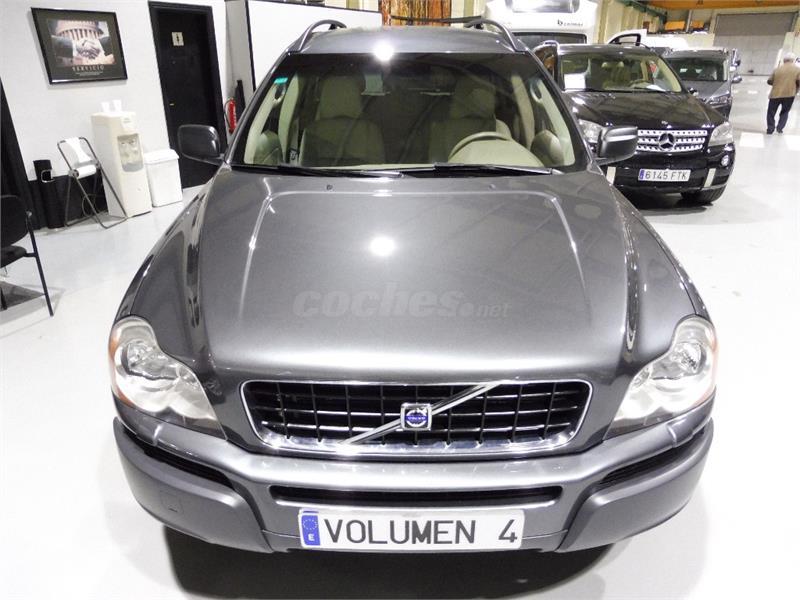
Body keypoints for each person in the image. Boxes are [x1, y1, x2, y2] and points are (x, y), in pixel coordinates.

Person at [766, 51, 800, 134]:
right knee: (785, 112)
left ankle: (770, 128)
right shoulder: (797, 70)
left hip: (775, 94)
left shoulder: (777, 69)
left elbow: (769, 81)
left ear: (784, 60)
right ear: (793, 60)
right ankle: (780, 128)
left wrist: (777, 83)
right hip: (789, 94)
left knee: (771, 112)